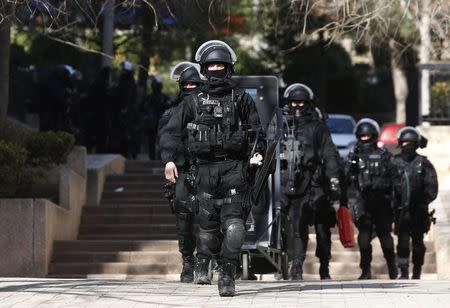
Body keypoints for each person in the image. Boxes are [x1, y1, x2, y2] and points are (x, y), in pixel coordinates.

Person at [160, 40, 265, 297]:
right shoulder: (192, 101)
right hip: (204, 171)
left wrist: (257, 154)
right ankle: (214, 260)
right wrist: (170, 159)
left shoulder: (241, 99)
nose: (216, 69)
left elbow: (256, 132)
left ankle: (227, 274)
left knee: (234, 226)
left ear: (228, 68)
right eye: (212, 65)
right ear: (205, 69)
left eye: (221, 64)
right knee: (208, 233)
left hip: (234, 169)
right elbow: (172, 132)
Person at [279, 83, 342, 280]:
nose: (297, 106)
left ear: (308, 103)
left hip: (308, 183)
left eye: (301, 102)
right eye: (294, 102)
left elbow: (330, 154)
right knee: (279, 223)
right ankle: (282, 263)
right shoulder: (279, 123)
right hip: (280, 182)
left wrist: (333, 179)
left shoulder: (317, 127)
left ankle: (298, 266)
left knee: (300, 225)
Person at [159, 61, 211, 283]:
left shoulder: (211, 108)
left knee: (209, 219)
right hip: (183, 170)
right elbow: (165, 138)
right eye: (187, 84)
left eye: (195, 84)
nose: (191, 88)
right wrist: (169, 160)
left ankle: (205, 261)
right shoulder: (172, 112)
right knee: (184, 220)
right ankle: (188, 262)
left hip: (208, 170)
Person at [345, 118, 399, 280]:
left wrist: (395, 201)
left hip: (382, 200)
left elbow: (395, 177)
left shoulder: (384, 156)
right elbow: (346, 177)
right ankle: (365, 270)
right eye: (362, 136)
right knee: (364, 236)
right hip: (362, 201)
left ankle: (392, 267)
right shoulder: (353, 156)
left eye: (368, 136)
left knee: (385, 236)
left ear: (374, 136)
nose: (365, 139)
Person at [392, 127, 438, 279]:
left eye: (411, 142)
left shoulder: (424, 163)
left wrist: (422, 201)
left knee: (418, 243)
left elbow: (432, 187)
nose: (407, 145)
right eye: (405, 142)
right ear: (400, 143)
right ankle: (403, 271)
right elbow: (388, 185)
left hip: (419, 210)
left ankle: (417, 271)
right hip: (400, 211)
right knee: (402, 242)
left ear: (417, 143)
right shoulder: (394, 162)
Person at [142, 76, 172, 159]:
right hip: (153, 123)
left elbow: (170, 108)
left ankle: (159, 157)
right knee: (152, 141)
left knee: (162, 140)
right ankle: (154, 157)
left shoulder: (164, 98)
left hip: (162, 123)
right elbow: (142, 109)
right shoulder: (149, 98)